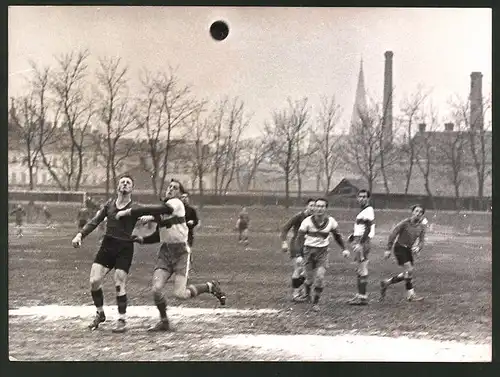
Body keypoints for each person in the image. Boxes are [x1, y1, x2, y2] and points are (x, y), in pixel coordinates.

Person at [116, 179, 226, 332]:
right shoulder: (164, 210)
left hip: (181, 253)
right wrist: (142, 239)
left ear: (180, 195)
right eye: (170, 187)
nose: (171, 189)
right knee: (156, 289)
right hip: (166, 252)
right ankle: (164, 321)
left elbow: (156, 210)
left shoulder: (176, 204)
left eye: (175, 188)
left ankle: (209, 287)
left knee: (180, 294)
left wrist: (129, 212)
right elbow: (158, 235)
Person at [71, 174, 143, 333]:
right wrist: (80, 235)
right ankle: (100, 313)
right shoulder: (109, 205)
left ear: (132, 188)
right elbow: (94, 221)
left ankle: (122, 319)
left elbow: (150, 216)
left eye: (128, 182)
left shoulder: (135, 207)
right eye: (122, 182)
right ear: (118, 187)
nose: (125, 184)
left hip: (125, 247)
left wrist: (150, 219)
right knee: (94, 281)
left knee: (119, 282)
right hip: (108, 245)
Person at [296, 198, 350, 312]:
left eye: (322, 206)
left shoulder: (331, 221)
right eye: (317, 206)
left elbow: (337, 236)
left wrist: (344, 249)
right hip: (308, 252)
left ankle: (315, 302)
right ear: (314, 208)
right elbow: (299, 238)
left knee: (320, 277)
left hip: (323, 252)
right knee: (309, 279)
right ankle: (307, 293)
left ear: (326, 208)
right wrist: (299, 255)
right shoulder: (307, 222)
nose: (319, 209)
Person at [380, 205, 428, 302]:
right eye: (416, 211)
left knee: (407, 273)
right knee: (409, 270)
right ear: (412, 212)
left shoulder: (422, 227)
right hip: (399, 248)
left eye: (420, 212)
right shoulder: (405, 223)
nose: (418, 214)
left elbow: (422, 241)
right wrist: (388, 249)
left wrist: (418, 248)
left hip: (408, 250)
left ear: (422, 215)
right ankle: (411, 295)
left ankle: (387, 283)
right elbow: (393, 234)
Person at [280, 198, 315, 302]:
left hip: (309, 246)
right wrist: (284, 242)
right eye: (311, 205)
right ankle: (296, 294)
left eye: (314, 206)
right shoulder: (299, 216)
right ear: (306, 206)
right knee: (298, 268)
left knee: (307, 271)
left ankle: (300, 292)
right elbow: (285, 228)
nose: (313, 208)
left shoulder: (315, 218)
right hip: (296, 245)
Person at [347, 189, 375, 306]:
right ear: (357, 198)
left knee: (362, 268)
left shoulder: (368, 210)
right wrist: (353, 236)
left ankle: (363, 297)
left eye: (364, 197)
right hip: (360, 240)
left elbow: (368, 229)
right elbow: (362, 227)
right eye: (360, 197)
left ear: (368, 198)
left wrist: (360, 243)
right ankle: (360, 295)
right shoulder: (364, 211)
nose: (362, 199)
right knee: (360, 268)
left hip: (362, 242)